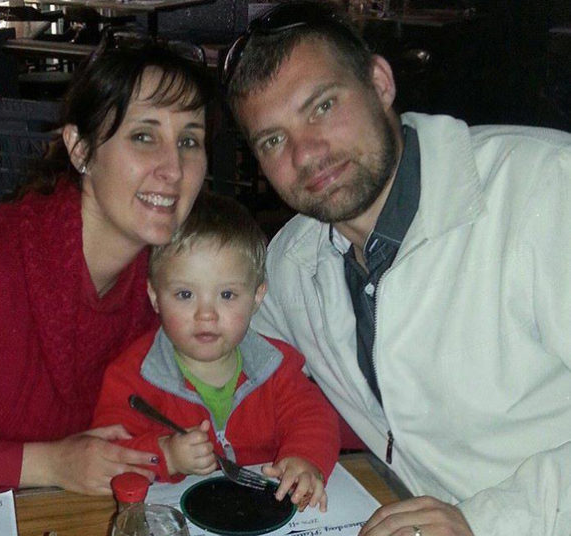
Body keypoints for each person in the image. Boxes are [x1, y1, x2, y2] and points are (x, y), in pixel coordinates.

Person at [224, 2, 571, 536]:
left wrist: (486, 521)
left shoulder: (545, 190)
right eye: (273, 139)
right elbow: (217, 356)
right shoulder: (292, 261)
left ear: (380, 83)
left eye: (322, 106)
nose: (306, 153)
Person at [0, 38, 212, 498]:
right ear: (80, 149)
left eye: (189, 141)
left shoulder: (169, 290)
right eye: (144, 136)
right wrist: (49, 463)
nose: (174, 169)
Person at [92, 192, 340, 511]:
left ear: (257, 297)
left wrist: (305, 459)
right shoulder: (132, 376)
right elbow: (109, 451)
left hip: (261, 510)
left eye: (227, 295)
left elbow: (315, 418)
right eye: (185, 294)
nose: (206, 315)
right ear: (155, 296)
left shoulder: (277, 366)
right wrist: (166, 455)